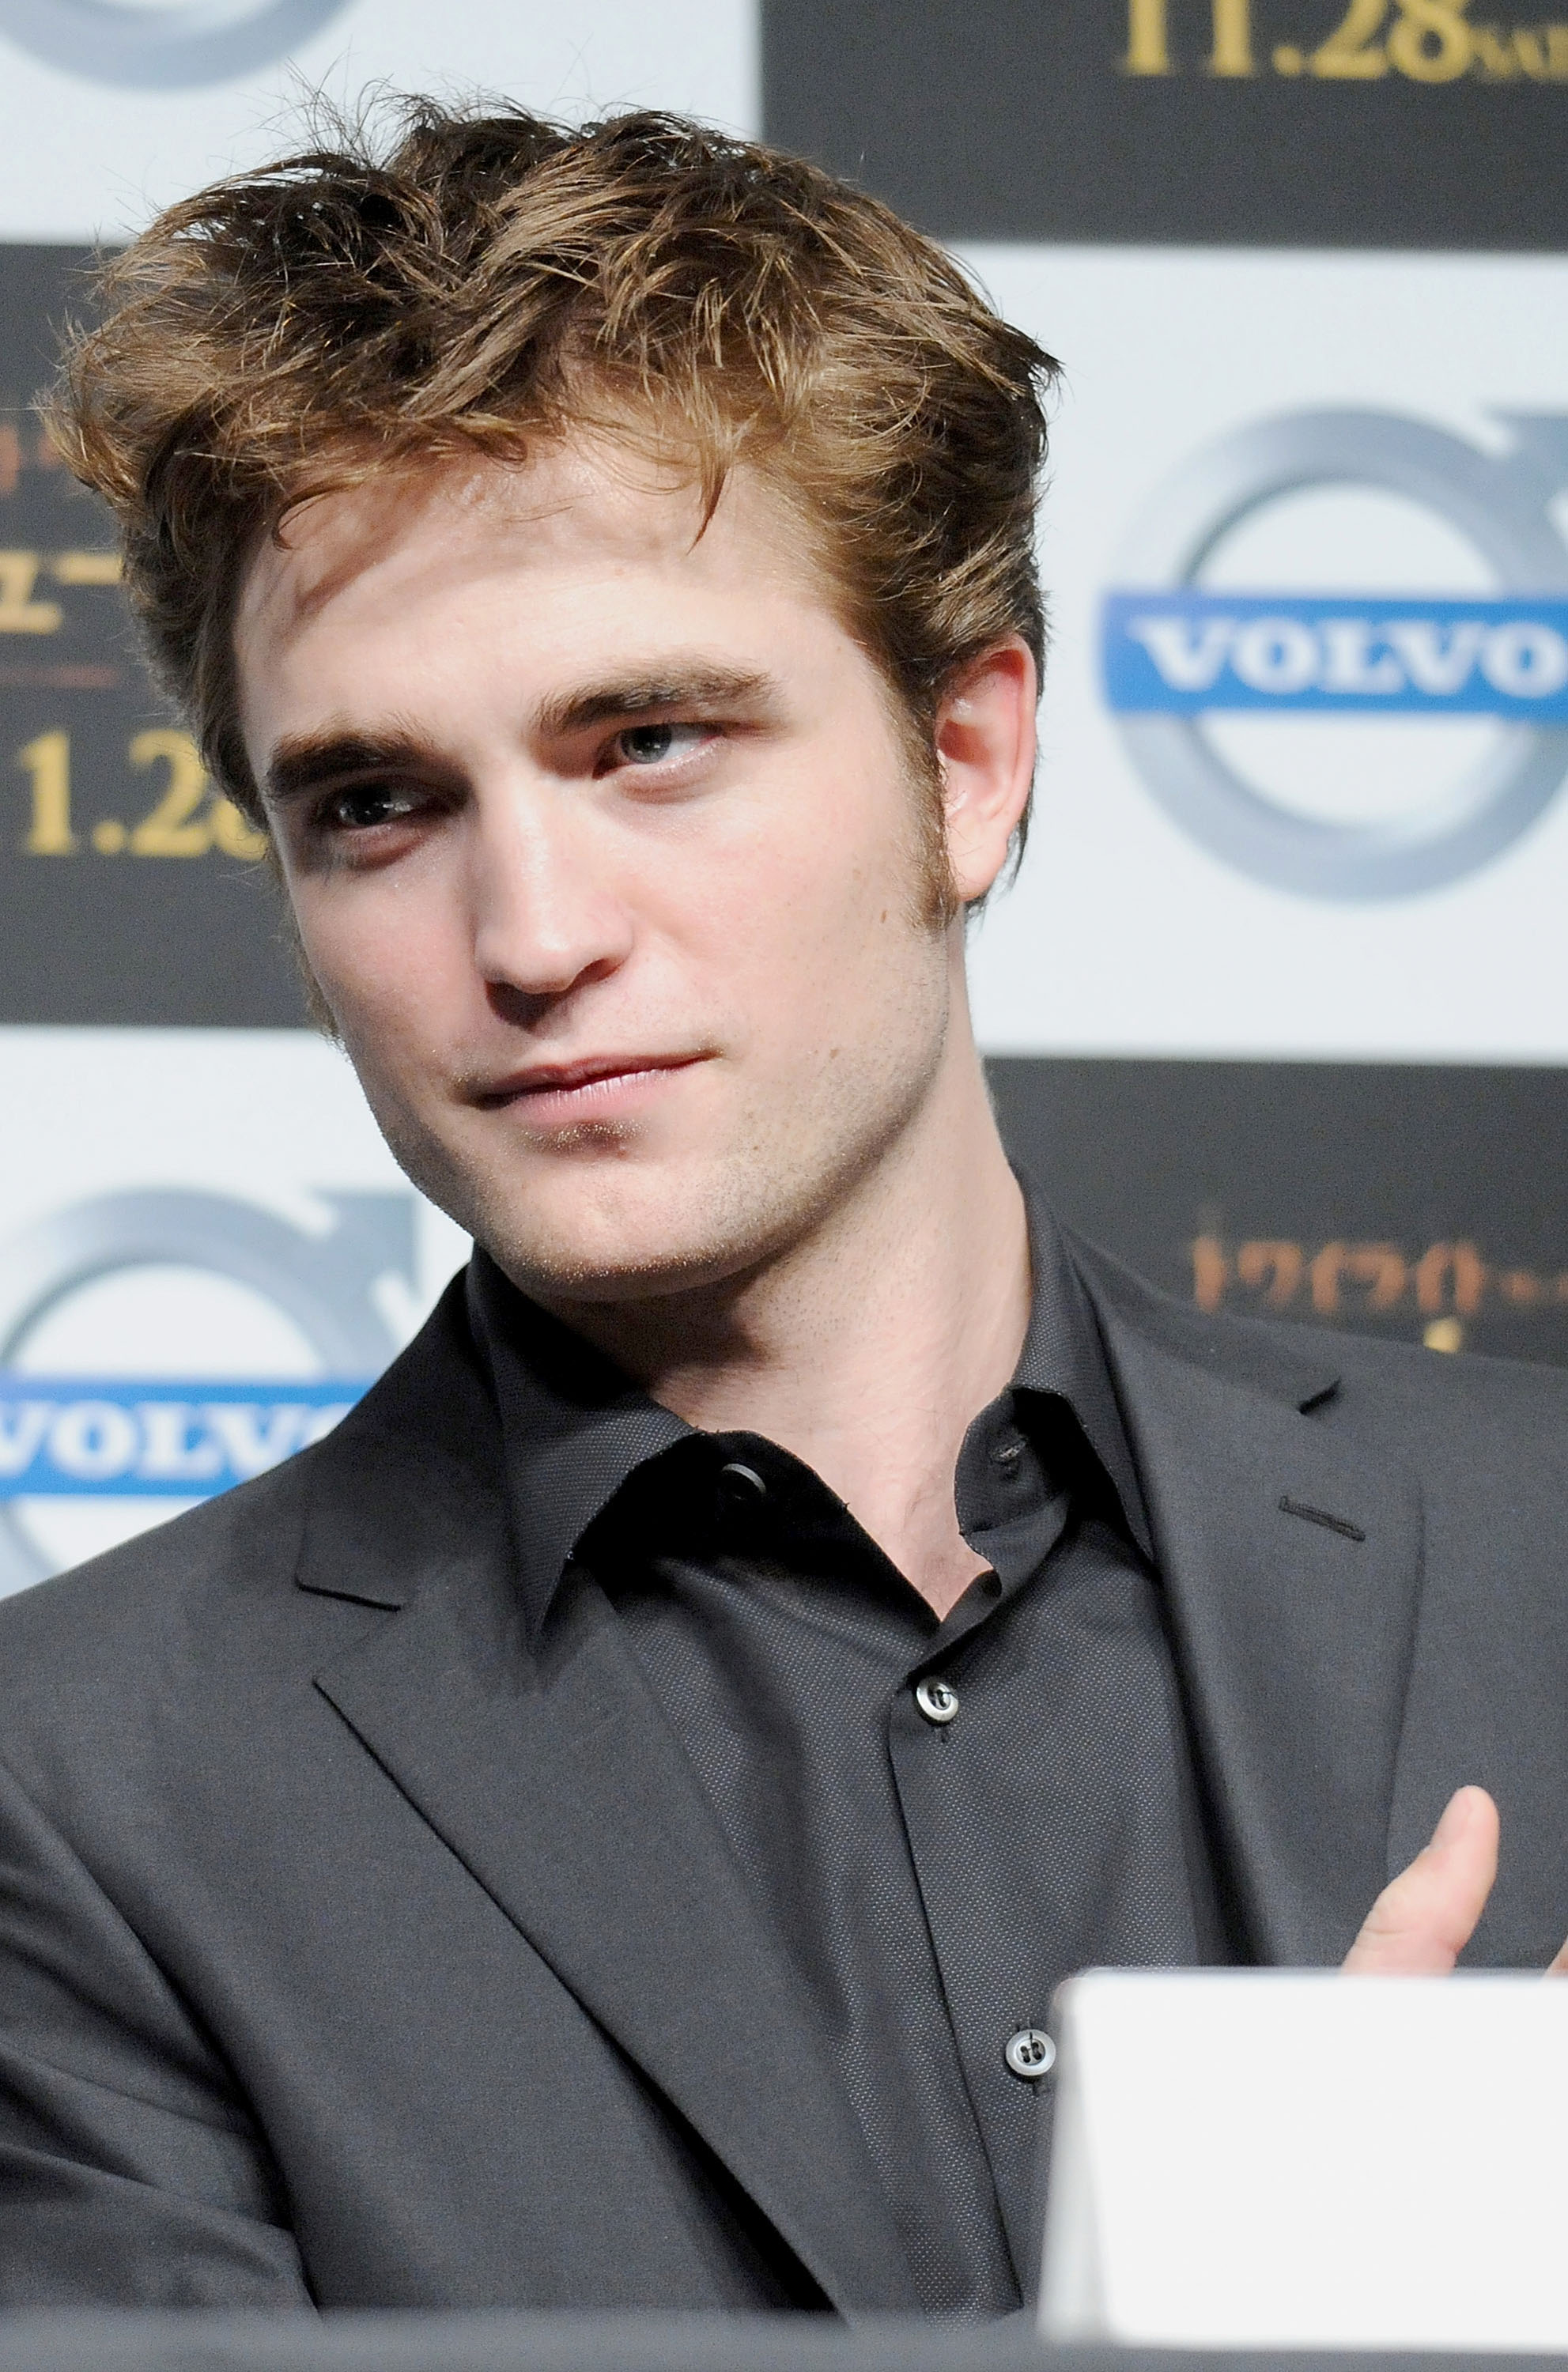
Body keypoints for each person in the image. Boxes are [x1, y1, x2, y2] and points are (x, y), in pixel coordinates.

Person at [0, 100, 1563, 2314]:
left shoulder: (1539, 1557)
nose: (533, 936)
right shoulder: (77, 1799)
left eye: (650, 741)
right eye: (377, 802)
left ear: (969, 762)